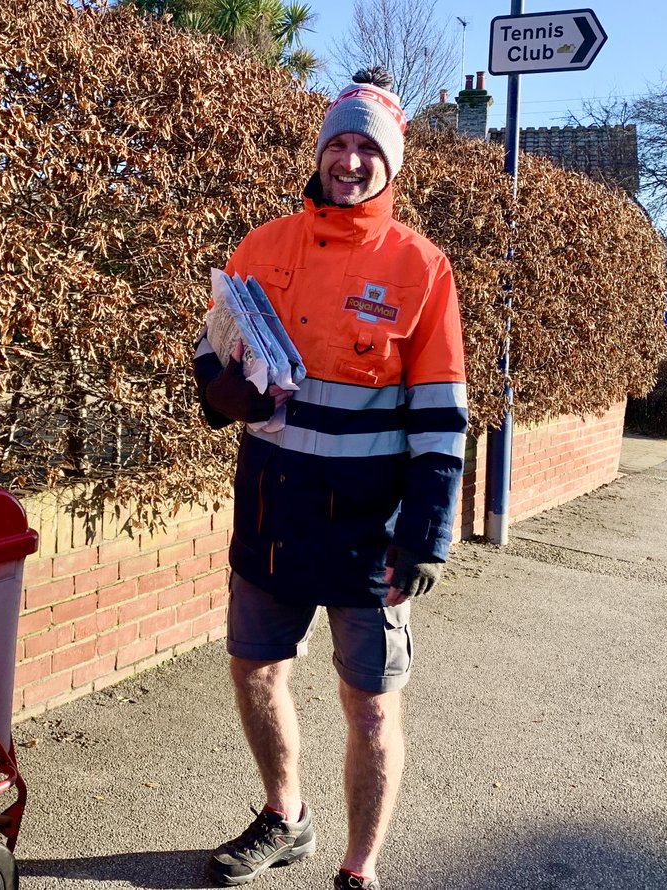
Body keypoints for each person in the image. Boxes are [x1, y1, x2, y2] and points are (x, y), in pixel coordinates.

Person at [193, 67, 467, 890]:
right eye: (337, 144)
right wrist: (218, 389)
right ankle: (286, 816)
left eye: (366, 148)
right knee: (255, 671)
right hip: (272, 513)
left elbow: (442, 418)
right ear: (320, 152)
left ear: (391, 165)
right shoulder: (263, 244)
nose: (349, 161)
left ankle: (360, 866)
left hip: (369, 535)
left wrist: (427, 534)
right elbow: (210, 350)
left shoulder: (423, 268)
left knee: (372, 706)